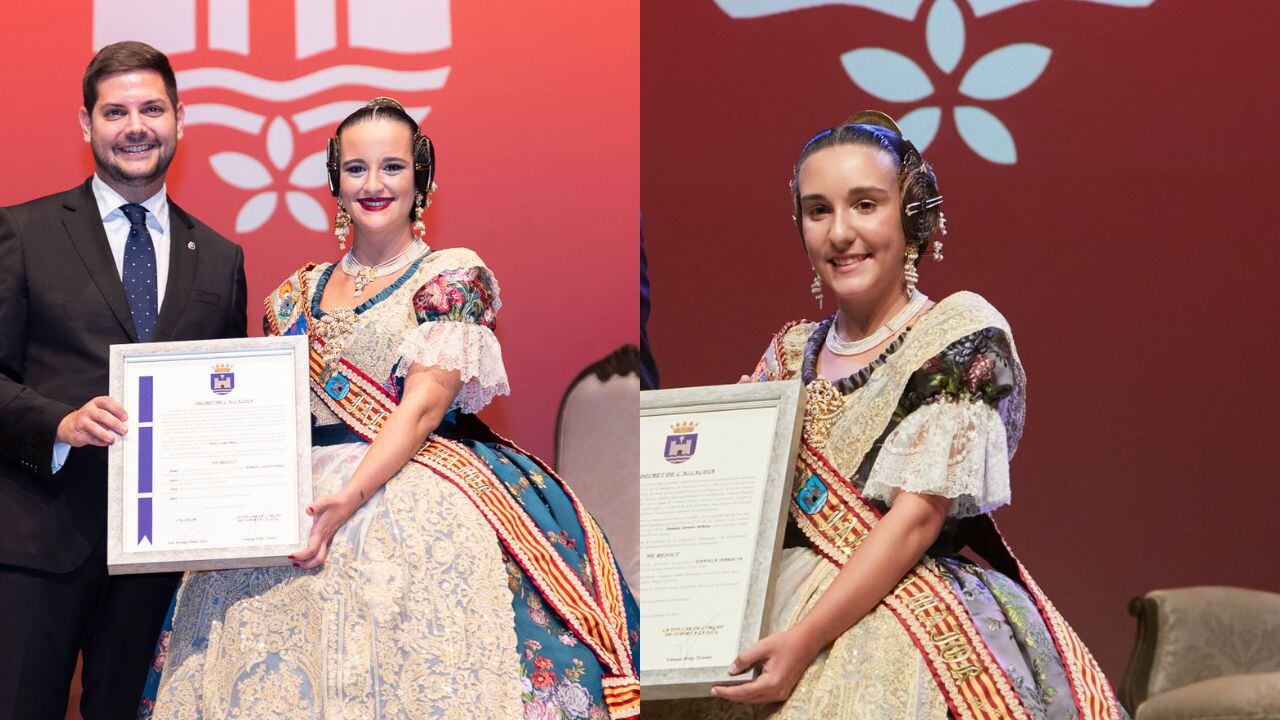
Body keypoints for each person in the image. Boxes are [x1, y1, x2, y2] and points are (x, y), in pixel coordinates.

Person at [143, 98, 639, 720]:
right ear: (334, 183)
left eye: (392, 167)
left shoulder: (452, 274)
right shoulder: (294, 294)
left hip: (414, 479)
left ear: (421, 179)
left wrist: (347, 501)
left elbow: (425, 409)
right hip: (296, 492)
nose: (373, 185)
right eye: (356, 169)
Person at [648, 112, 1126, 719]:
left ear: (913, 216)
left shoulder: (963, 332)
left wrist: (805, 641)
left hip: (891, 606)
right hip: (764, 605)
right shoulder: (791, 351)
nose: (840, 232)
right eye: (818, 210)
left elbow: (916, 521)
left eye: (865, 205)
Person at [0, 41, 247, 719]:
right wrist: (57, 421)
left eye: (151, 108)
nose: (134, 126)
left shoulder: (220, 259)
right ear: (86, 126)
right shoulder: (24, 232)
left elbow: (229, 407)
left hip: (160, 558)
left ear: (180, 119)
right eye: (115, 111)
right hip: (39, 539)